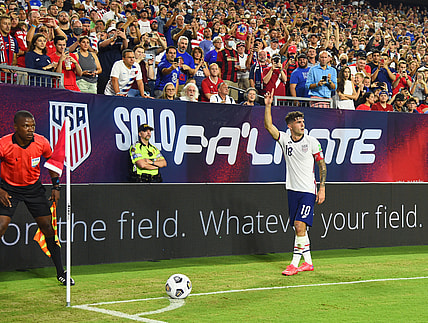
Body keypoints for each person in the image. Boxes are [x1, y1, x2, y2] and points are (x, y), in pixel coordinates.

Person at [0, 110, 74, 286]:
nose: (30, 129)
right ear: (15, 127)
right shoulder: (4, 144)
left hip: (33, 189)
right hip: (9, 189)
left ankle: (60, 272)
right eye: (26, 126)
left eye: (32, 125)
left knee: (48, 228)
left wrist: (56, 186)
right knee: (1, 226)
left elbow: (53, 163)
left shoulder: (41, 142)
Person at [263, 90, 326, 276]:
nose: (302, 124)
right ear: (290, 126)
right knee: (299, 228)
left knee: (299, 225)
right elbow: (269, 127)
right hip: (292, 189)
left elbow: (322, 165)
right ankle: (308, 262)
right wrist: (268, 106)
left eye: (303, 122)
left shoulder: (312, 141)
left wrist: (321, 188)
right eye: (298, 122)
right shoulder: (284, 140)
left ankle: (293, 263)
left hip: (308, 190)